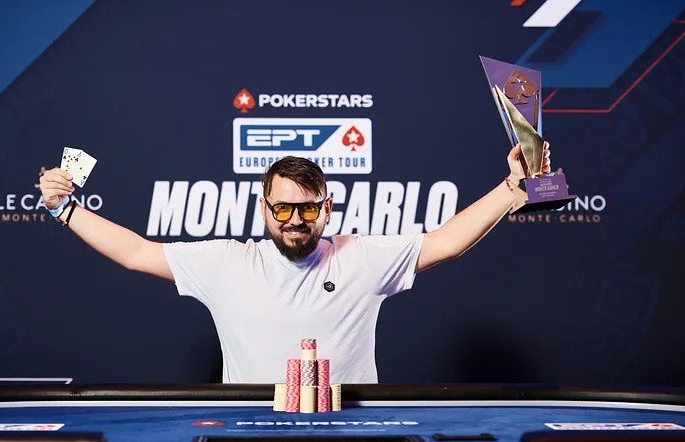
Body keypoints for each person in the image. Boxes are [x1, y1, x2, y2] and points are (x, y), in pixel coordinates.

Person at [38, 142, 551, 383]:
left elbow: (446, 242)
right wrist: (64, 209)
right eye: (282, 208)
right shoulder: (226, 263)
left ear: (328, 208)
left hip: (354, 438)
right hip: (247, 440)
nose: (295, 221)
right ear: (263, 209)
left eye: (308, 209)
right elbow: (136, 253)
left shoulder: (361, 257)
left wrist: (513, 189)